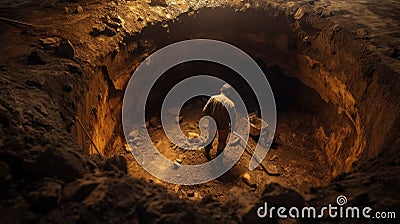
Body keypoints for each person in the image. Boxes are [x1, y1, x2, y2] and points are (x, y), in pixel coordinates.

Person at [202, 84, 236, 160]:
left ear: (221, 89)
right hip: (223, 126)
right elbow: (233, 118)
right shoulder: (231, 104)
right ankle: (218, 157)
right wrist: (232, 128)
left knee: (210, 137)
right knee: (222, 141)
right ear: (229, 92)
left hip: (212, 123)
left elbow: (205, 110)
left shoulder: (213, 98)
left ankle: (206, 152)